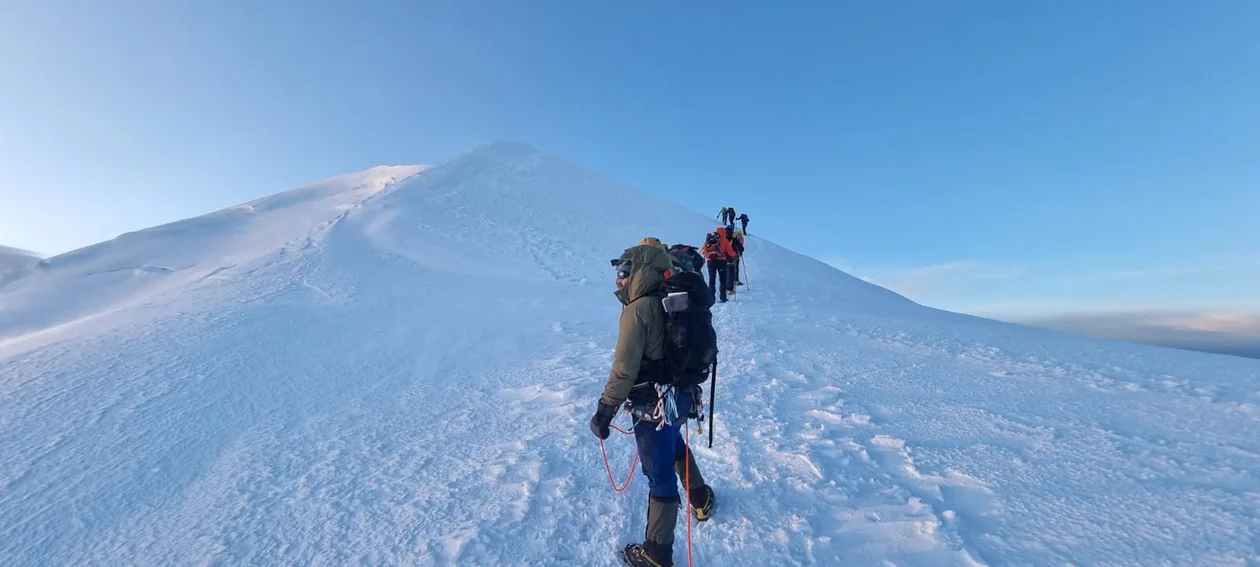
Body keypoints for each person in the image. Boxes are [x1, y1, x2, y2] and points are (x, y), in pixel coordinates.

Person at [590, 243, 716, 567]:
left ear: (636, 272)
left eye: (622, 274)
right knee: (674, 444)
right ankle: (700, 496)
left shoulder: (637, 309)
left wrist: (605, 411)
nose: (618, 281)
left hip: (653, 404)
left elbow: (624, 369)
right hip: (679, 396)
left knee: (659, 475)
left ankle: (657, 553)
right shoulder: (670, 297)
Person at [701, 231, 735, 303]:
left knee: (711, 280)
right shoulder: (724, 240)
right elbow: (731, 253)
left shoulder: (710, 239)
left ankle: (711, 298)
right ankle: (723, 297)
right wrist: (734, 255)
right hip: (721, 262)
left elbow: (703, 251)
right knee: (722, 280)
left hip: (710, 262)